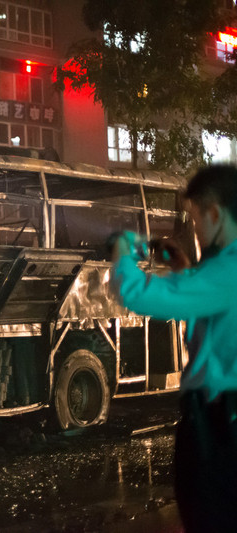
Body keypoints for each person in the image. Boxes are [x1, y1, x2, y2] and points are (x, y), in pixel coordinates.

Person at [112, 164, 237, 532]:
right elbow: (210, 310)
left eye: (195, 219)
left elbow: (141, 294)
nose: (193, 229)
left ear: (214, 214)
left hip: (220, 424)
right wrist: (184, 271)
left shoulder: (229, 270)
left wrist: (121, 254)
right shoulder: (222, 271)